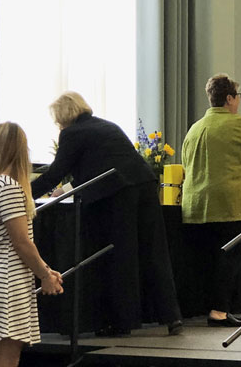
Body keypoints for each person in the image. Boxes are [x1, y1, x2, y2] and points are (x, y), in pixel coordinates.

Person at [31, 91, 183, 336]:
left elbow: (55, 173)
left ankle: (122, 322)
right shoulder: (107, 126)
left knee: (120, 255)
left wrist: (23, 194)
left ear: (63, 115)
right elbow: (97, 166)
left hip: (117, 194)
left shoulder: (71, 133)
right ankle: (171, 316)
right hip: (144, 185)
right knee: (153, 251)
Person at [181, 73, 241, 327]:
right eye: (238, 96)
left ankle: (208, 308)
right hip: (232, 205)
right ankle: (220, 311)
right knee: (229, 262)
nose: (238, 102)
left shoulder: (195, 128)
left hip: (197, 206)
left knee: (208, 260)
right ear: (230, 98)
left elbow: (186, 165)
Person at [0, 122, 64, 367]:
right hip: (9, 284)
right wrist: (44, 274)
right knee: (6, 358)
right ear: (20, 149)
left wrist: (46, 271)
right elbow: (21, 242)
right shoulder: (9, 186)